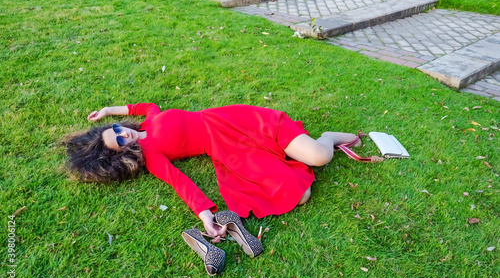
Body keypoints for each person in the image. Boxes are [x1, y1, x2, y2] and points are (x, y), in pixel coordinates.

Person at [66, 103, 362, 241]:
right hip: (227, 148)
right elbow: (179, 183)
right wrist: (206, 216)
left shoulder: (148, 122)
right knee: (301, 195)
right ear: (118, 156)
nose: (123, 135)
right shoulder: (151, 155)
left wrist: (109, 110)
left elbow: (148, 105)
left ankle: (329, 138)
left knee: (320, 156)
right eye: (118, 142)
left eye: (117, 130)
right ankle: (298, 151)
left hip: (234, 120)